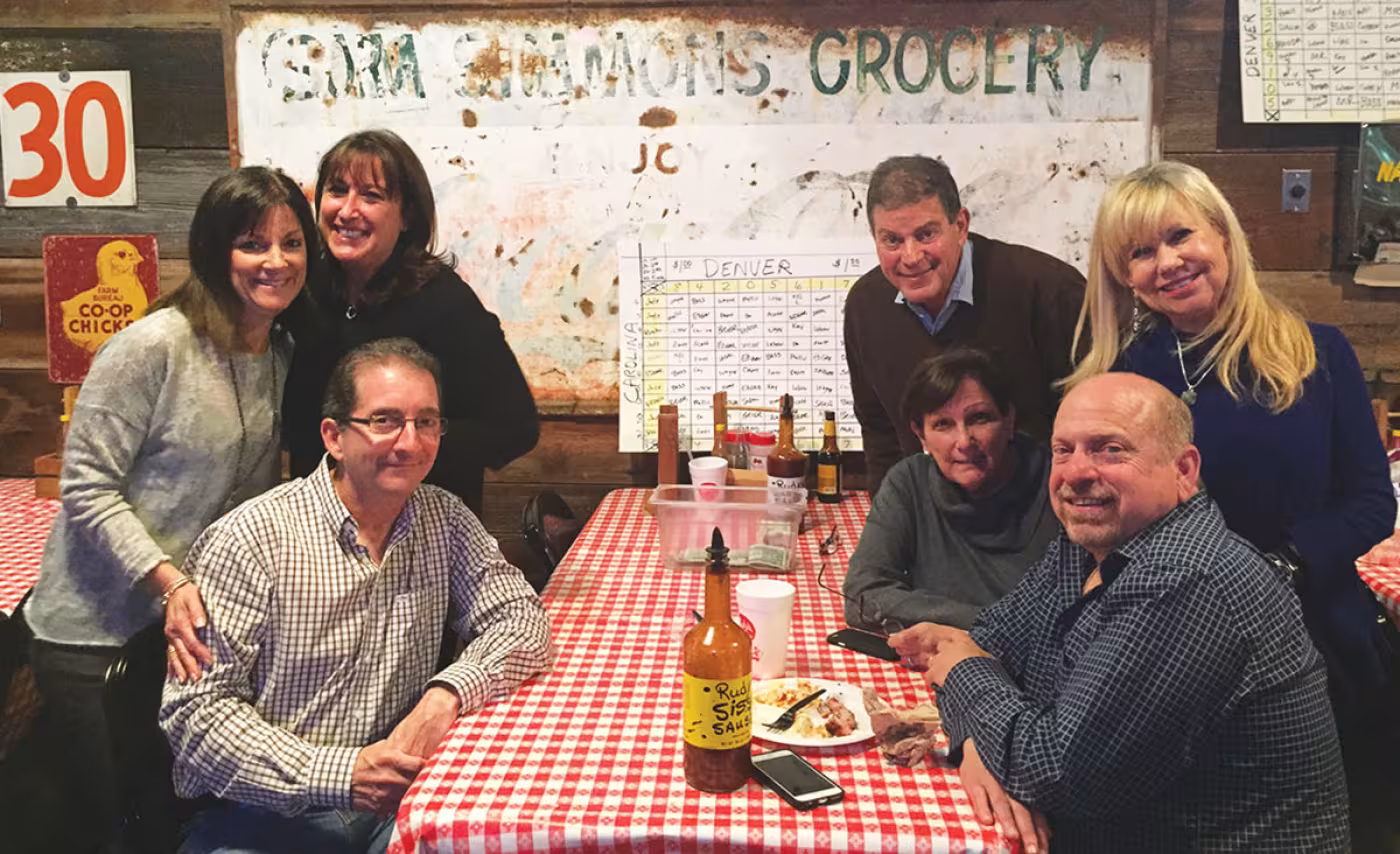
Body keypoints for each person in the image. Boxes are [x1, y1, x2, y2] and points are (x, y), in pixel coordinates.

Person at [1064, 160, 1397, 839]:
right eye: (1140, 251)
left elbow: (1370, 501)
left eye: (1181, 235)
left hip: (1316, 636)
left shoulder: (1318, 355)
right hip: (1170, 652)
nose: (1168, 262)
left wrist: (1286, 564)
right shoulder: (1123, 377)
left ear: (1221, 233)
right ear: (1124, 276)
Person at [893, 373, 1349, 852]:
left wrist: (964, 673)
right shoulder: (1089, 545)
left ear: (1184, 469)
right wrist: (974, 748)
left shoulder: (1187, 579)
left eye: (1110, 449)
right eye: (1063, 450)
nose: (1076, 473)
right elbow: (988, 640)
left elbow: (1055, 772)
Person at [160, 338, 554, 854]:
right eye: (385, 421)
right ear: (334, 437)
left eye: (427, 422)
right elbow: (197, 719)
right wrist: (340, 773)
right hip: (258, 818)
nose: (410, 443)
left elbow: (522, 620)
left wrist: (446, 695)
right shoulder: (249, 540)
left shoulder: (444, 519)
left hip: (395, 805)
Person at [25, 166, 314, 853]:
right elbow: (86, 486)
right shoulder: (154, 344)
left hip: (181, 638)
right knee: (113, 830)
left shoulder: (278, 351)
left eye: (292, 242)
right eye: (253, 242)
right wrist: (171, 579)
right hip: (95, 636)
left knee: (168, 821)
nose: (276, 260)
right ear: (216, 250)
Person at [284, 128, 539, 516]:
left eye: (371, 196)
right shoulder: (305, 288)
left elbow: (516, 427)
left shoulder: (445, 302)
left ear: (407, 216)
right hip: (317, 529)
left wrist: (405, 441)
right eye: (337, 191)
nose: (348, 210)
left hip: (423, 530)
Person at [843, 155, 1086, 495]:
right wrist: (893, 521)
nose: (911, 256)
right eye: (892, 240)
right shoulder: (864, 307)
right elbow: (879, 429)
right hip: (931, 516)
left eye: (926, 234)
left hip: (1041, 508)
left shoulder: (1049, 290)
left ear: (960, 225)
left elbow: (1094, 425)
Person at [841, 349, 1059, 631]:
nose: (964, 441)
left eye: (980, 418)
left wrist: (942, 619)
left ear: (1009, 420)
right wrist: (988, 623)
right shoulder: (909, 482)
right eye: (943, 424)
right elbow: (863, 597)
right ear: (921, 435)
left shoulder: (1059, 484)